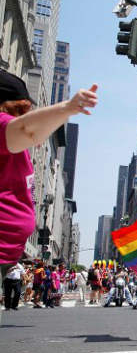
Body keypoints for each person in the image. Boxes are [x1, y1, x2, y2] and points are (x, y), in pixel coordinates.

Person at [0, 71, 97, 281]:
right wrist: (67, 108)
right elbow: (27, 130)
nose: (29, 111)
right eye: (24, 107)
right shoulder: (1, 123)